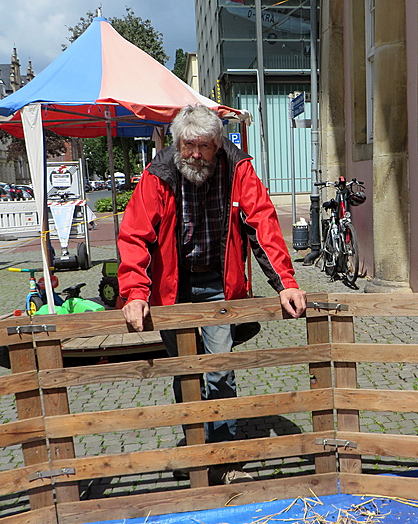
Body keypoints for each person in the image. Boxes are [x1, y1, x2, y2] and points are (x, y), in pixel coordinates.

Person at [117, 104, 307, 483]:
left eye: (204, 146)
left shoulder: (238, 169)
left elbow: (263, 225)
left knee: (219, 369)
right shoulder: (159, 174)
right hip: (173, 288)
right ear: (177, 143)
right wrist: (136, 292)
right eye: (188, 145)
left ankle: (226, 457)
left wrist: (286, 283)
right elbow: (135, 234)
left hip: (218, 286)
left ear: (218, 145)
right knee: (185, 372)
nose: (195, 155)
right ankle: (195, 447)